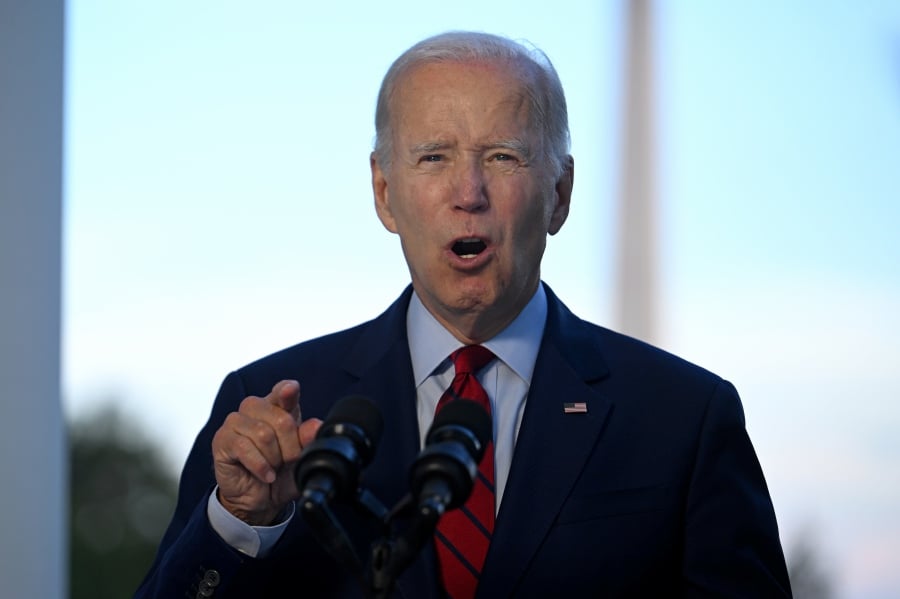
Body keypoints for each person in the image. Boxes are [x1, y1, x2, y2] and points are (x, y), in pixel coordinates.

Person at [136, 31, 792, 598]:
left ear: (560, 193)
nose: (468, 193)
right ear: (384, 193)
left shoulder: (684, 418)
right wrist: (241, 519)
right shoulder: (269, 409)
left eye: (503, 156)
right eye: (434, 157)